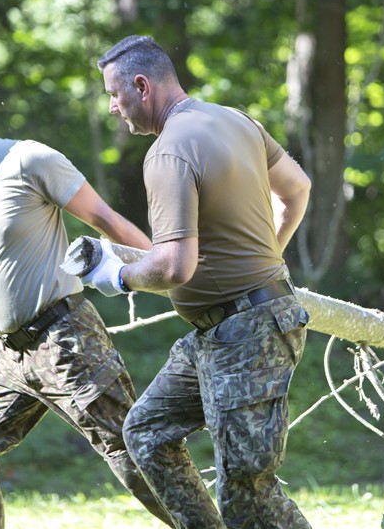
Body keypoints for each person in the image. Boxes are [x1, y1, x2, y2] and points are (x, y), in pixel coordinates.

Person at [0, 79, 173, 529]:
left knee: (131, 453)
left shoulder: (27, 160)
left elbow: (107, 221)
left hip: (65, 339)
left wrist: (170, 275)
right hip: (9, 356)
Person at [77, 35, 313, 528]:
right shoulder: (236, 120)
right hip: (224, 330)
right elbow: (297, 189)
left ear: (141, 86)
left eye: (114, 95)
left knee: (249, 496)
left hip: (247, 332)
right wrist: (265, 257)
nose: (114, 107)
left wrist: (116, 276)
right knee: (147, 432)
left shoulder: (169, 152)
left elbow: (172, 267)